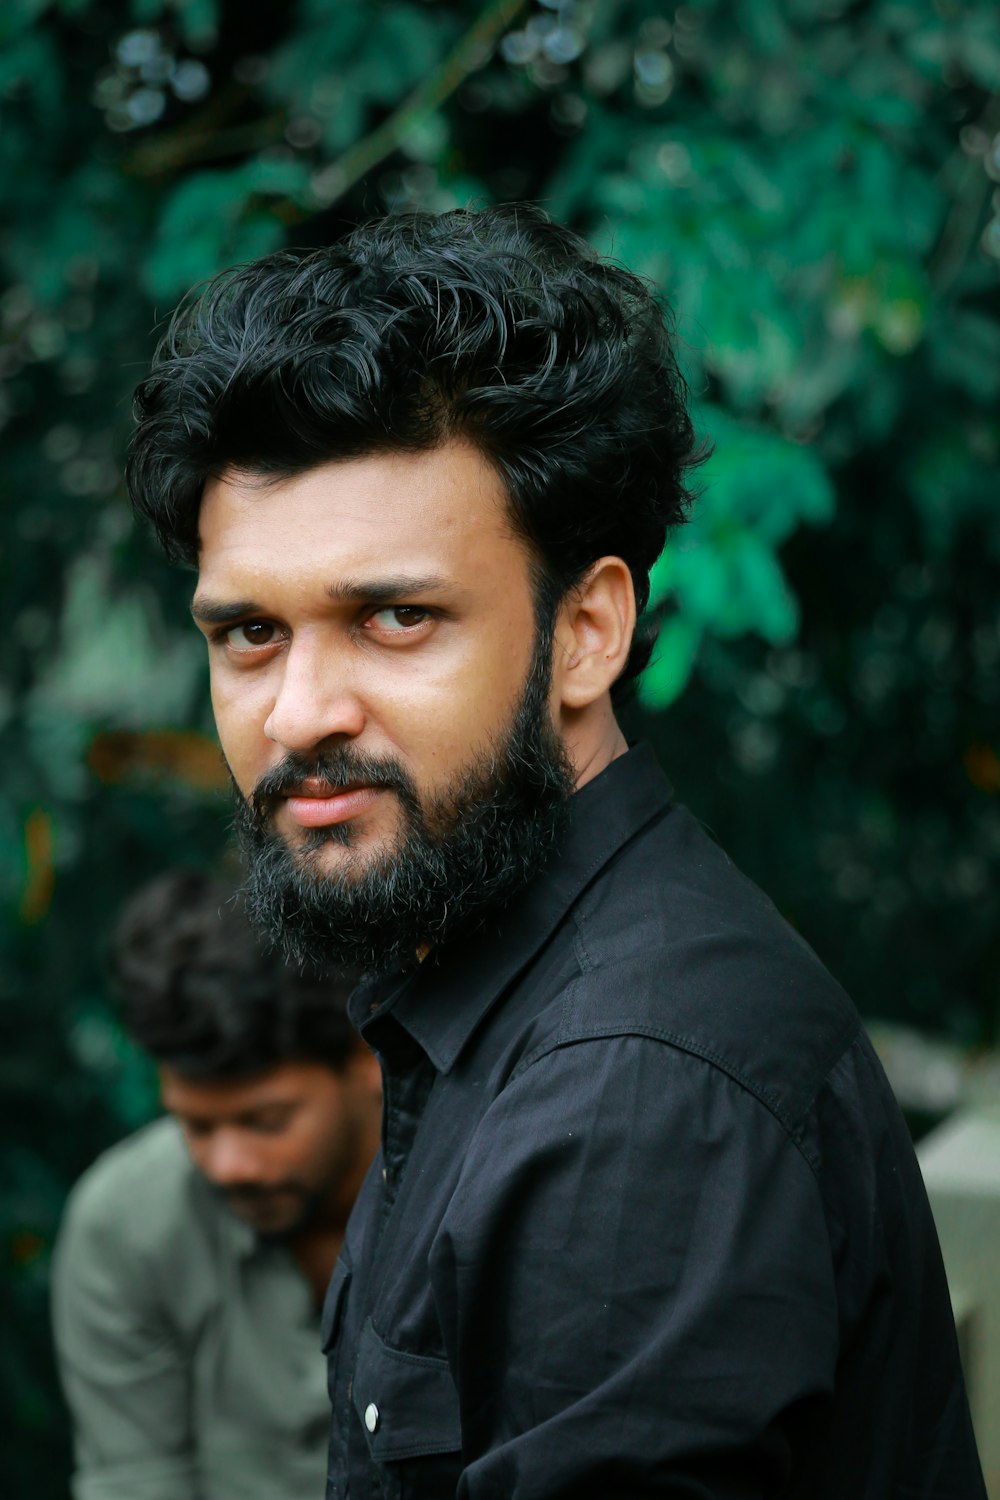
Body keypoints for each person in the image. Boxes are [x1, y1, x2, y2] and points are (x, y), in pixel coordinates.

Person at [125, 206, 985, 1498]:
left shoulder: (631, 1098)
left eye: (396, 618)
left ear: (586, 631)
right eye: (249, 634)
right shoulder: (499, 989)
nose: (298, 712)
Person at [51, 871, 382, 1500]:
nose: (230, 1163)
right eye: (196, 1124)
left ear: (366, 1057)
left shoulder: (474, 1193)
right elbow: (136, 1481)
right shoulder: (125, 1223)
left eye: (267, 1120)